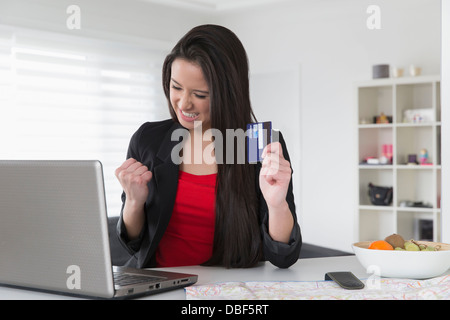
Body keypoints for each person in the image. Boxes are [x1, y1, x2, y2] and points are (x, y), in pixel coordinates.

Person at [115, 24, 301, 269]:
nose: (184, 104)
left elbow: (282, 257)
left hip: (227, 290)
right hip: (157, 285)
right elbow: (133, 245)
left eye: (200, 94)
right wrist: (133, 202)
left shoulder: (257, 142)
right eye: (176, 87)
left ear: (229, 92)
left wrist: (277, 205)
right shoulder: (149, 138)